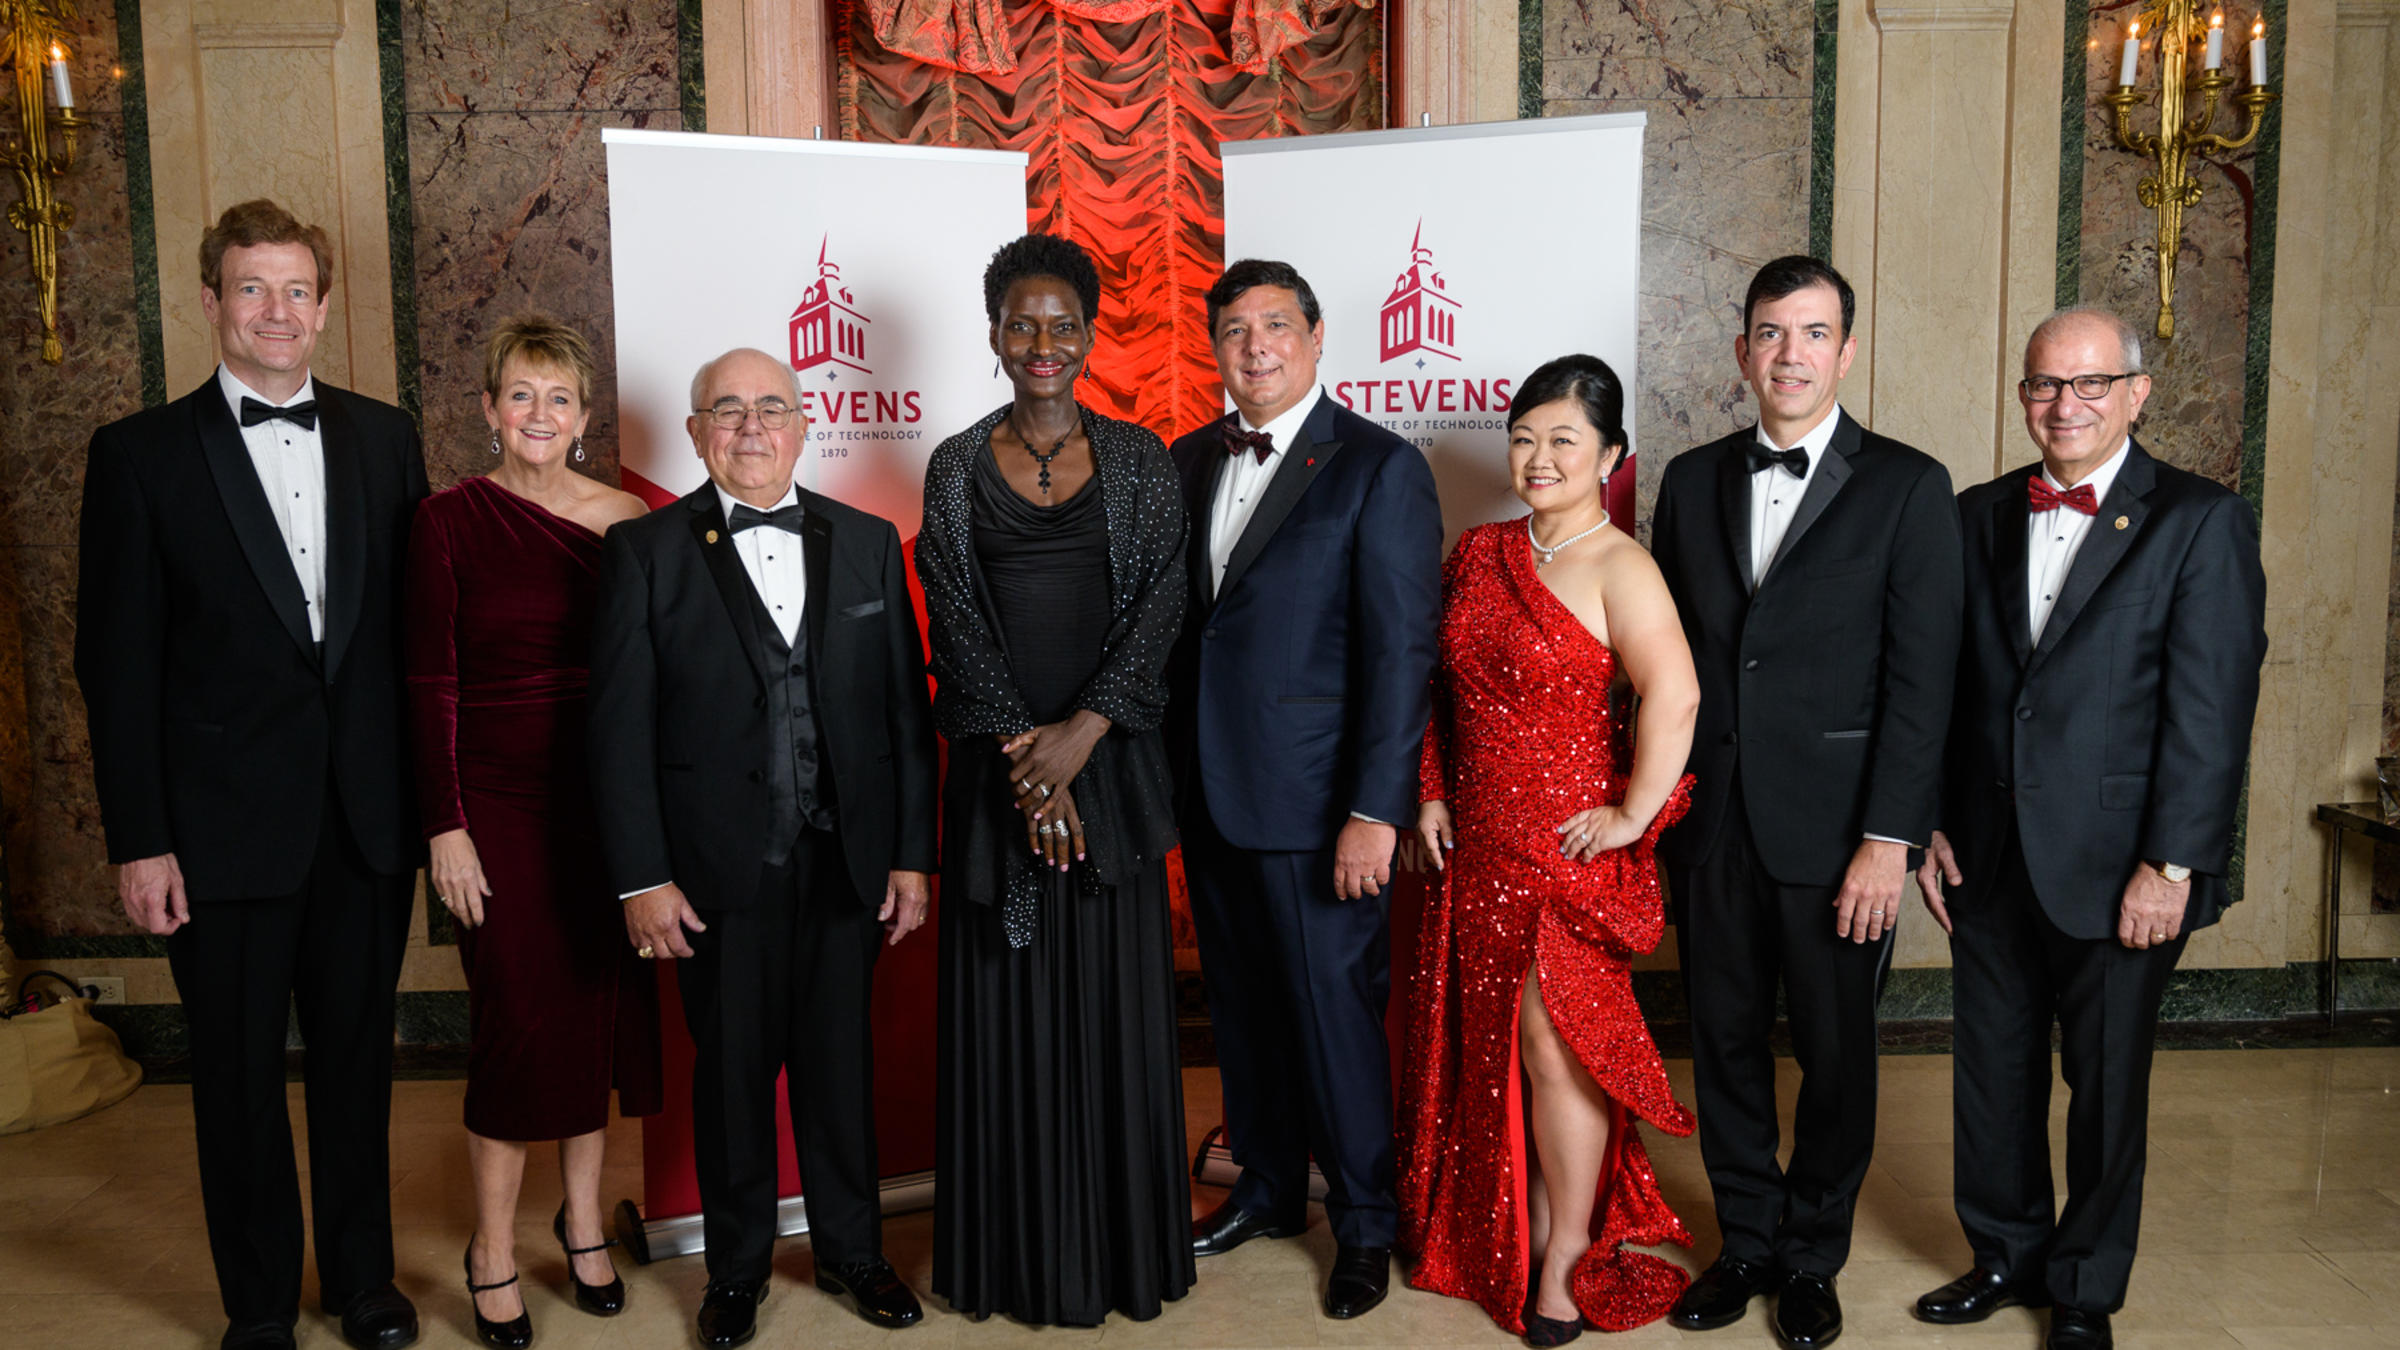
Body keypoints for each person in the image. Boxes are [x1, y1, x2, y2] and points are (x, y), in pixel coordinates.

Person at [74, 199, 429, 1350]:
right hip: (217, 830)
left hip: (365, 821)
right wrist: (140, 840)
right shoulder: (139, 455)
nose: (277, 311)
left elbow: (415, 643)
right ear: (212, 301)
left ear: (322, 308)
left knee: (357, 1066)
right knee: (234, 1080)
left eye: (295, 290)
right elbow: (115, 667)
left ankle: (365, 1285)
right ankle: (261, 1304)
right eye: (252, 288)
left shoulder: (387, 439)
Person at [1910, 307, 2266, 1350]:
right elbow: (1944, 689)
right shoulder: (1977, 513)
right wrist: (1931, 823)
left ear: (2136, 394)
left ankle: (2085, 1288)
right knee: (1993, 1074)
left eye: (2090, 384)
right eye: (2043, 384)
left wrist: (2173, 864)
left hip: (2124, 867)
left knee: (2105, 1088)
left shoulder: (2200, 520)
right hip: (1986, 853)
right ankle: (2005, 1256)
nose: (2063, 405)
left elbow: (2211, 711)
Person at [587, 347, 937, 1348]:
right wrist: (643, 878)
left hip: (845, 860)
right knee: (733, 1077)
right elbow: (617, 730)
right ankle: (736, 1272)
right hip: (713, 871)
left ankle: (854, 1252)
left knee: (839, 1068)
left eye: (772, 408)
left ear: (802, 424)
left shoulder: (868, 542)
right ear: (696, 432)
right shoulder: (644, 550)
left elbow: (903, 715)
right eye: (729, 410)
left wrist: (911, 854)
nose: (752, 427)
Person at [1649, 255, 1963, 1349]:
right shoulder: (1690, 480)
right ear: (1743, 351)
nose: (1792, 354)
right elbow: (1670, 662)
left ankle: (1812, 1256)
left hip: (1841, 836)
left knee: (1836, 1055)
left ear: (1847, 351)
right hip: (1713, 822)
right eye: (1773, 333)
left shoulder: (1909, 485)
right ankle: (1744, 1242)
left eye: (1814, 333)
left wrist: (1889, 839)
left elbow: (1925, 683)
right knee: (1724, 1044)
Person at [918, 233, 1194, 1325]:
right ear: (995, 334)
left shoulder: (1139, 459)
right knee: (1007, 1005)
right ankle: (1014, 1260)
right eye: (1022, 324)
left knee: (1114, 1011)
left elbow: (1163, 606)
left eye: (1062, 324)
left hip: (1110, 772)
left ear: (1089, 334)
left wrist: (1079, 741)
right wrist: (1032, 770)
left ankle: (1120, 1255)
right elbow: (952, 617)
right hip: (1001, 781)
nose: (1043, 343)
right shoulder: (953, 465)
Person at [1404, 355, 1703, 1345]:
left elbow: (1676, 694)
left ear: (1610, 456)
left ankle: (1569, 1253)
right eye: (1524, 437)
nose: (1538, 456)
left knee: (1553, 1045)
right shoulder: (1479, 550)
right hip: (1477, 845)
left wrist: (1633, 814)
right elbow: (1435, 688)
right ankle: (1515, 1228)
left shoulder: (1623, 566)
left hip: (1564, 852)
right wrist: (1431, 790)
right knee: (1492, 1046)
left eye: (1563, 439)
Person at [1166, 258, 1443, 1320]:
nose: (1256, 348)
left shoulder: (1377, 466)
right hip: (1212, 793)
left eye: (1275, 325)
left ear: (1318, 338)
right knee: (1243, 1010)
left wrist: (1375, 811)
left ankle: (1367, 1222)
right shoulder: (1189, 458)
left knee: (1334, 1018)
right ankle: (1270, 1187)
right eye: (1235, 331)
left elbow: (1401, 653)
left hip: (1323, 808)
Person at [402, 315, 662, 1348]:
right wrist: (445, 826)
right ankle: (491, 1248)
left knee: (593, 1019)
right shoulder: (446, 520)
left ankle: (584, 1225)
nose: (540, 415)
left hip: (604, 804)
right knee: (515, 1025)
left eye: (559, 398)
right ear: (489, 409)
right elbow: (428, 681)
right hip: (495, 808)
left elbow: (656, 671)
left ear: (585, 416)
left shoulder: (628, 517)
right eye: (521, 395)